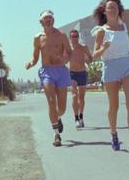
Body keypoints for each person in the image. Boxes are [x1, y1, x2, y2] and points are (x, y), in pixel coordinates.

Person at [91, 0, 129, 154]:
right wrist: (104, 48)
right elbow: (95, 55)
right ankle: (114, 133)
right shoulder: (101, 31)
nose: (112, 9)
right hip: (110, 66)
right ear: (104, 11)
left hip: (127, 65)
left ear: (119, 10)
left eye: (115, 7)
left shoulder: (124, 27)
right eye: (109, 7)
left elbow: (125, 47)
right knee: (114, 106)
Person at [26, 10, 71, 146]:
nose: (48, 20)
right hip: (47, 72)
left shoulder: (62, 35)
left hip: (61, 71)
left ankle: (58, 117)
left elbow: (69, 52)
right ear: (41, 22)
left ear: (53, 20)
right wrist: (31, 63)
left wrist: (64, 59)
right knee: (51, 102)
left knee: (62, 107)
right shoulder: (38, 38)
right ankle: (56, 135)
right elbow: (35, 57)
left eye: (50, 18)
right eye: (46, 18)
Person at [67, 28, 92, 129]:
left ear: (78, 37)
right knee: (74, 95)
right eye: (73, 36)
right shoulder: (68, 49)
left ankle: (81, 116)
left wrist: (87, 60)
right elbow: (63, 60)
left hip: (82, 72)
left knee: (81, 98)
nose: (75, 38)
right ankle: (76, 118)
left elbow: (90, 58)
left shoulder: (83, 47)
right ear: (70, 37)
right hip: (72, 73)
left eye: (76, 36)